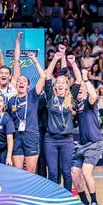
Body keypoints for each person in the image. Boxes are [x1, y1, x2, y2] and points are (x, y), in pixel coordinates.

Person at [44, 51, 80, 191]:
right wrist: (55, 59)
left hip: (67, 140)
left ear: (66, 86)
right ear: (55, 86)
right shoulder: (50, 97)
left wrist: (73, 63)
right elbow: (47, 76)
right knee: (52, 173)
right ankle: (54, 200)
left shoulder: (71, 98)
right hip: (50, 140)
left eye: (63, 82)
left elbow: (78, 80)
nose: (59, 84)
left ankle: (68, 200)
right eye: (57, 82)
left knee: (66, 172)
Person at [7, 51, 46, 173]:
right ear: (16, 85)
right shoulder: (12, 100)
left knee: (30, 171)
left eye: (24, 81)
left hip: (31, 135)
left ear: (28, 86)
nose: (21, 82)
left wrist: (35, 61)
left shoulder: (33, 96)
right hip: (17, 136)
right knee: (18, 172)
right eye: (19, 81)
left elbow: (43, 77)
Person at [72, 69, 103, 205]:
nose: (80, 91)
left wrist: (85, 79)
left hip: (94, 143)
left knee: (86, 172)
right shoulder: (77, 105)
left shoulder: (89, 101)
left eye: (82, 89)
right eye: (78, 90)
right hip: (82, 144)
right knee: (74, 174)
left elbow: (93, 95)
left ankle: (95, 203)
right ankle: (84, 203)